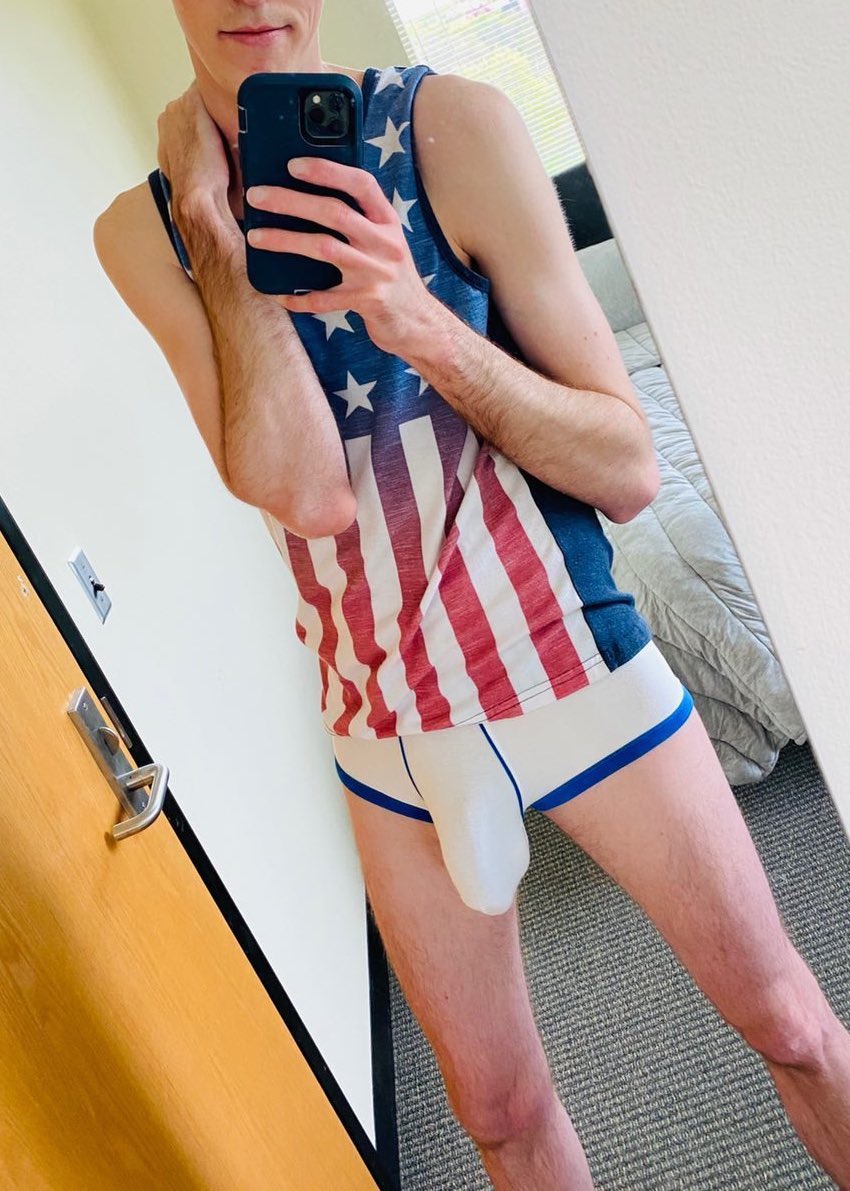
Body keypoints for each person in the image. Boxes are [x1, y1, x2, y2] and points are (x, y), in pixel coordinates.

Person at [92, 3, 850, 1187]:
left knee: (791, 1025)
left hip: (566, 661)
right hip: (381, 727)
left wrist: (413, 318)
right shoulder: (147, 230)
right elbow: (306, 492)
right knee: (495, 1115)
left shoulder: (456, 128)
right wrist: (213, 234)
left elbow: (625, 466)